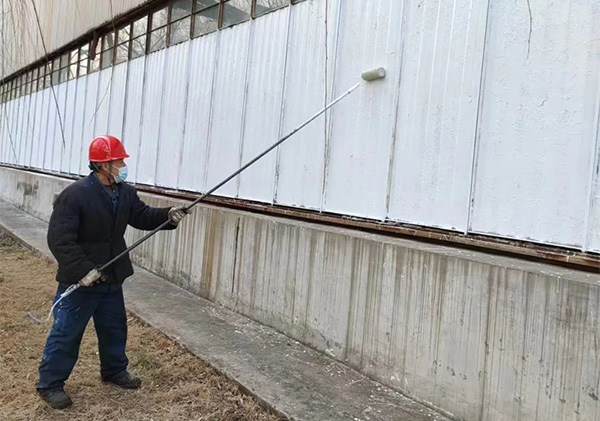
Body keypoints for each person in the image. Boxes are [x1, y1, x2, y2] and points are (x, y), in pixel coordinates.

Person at [36, 135, 188, 409]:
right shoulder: (76, 195)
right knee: (67, 333)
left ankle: (114, 370)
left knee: (114, 328)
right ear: (103, 165)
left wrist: (168, 216)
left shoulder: (125, 192)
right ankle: (50, 384)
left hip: (111, 276)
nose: (122, 166)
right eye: (118, 161)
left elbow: (142, 216)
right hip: (82, 281)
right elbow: (60, 240)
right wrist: (83, 271)